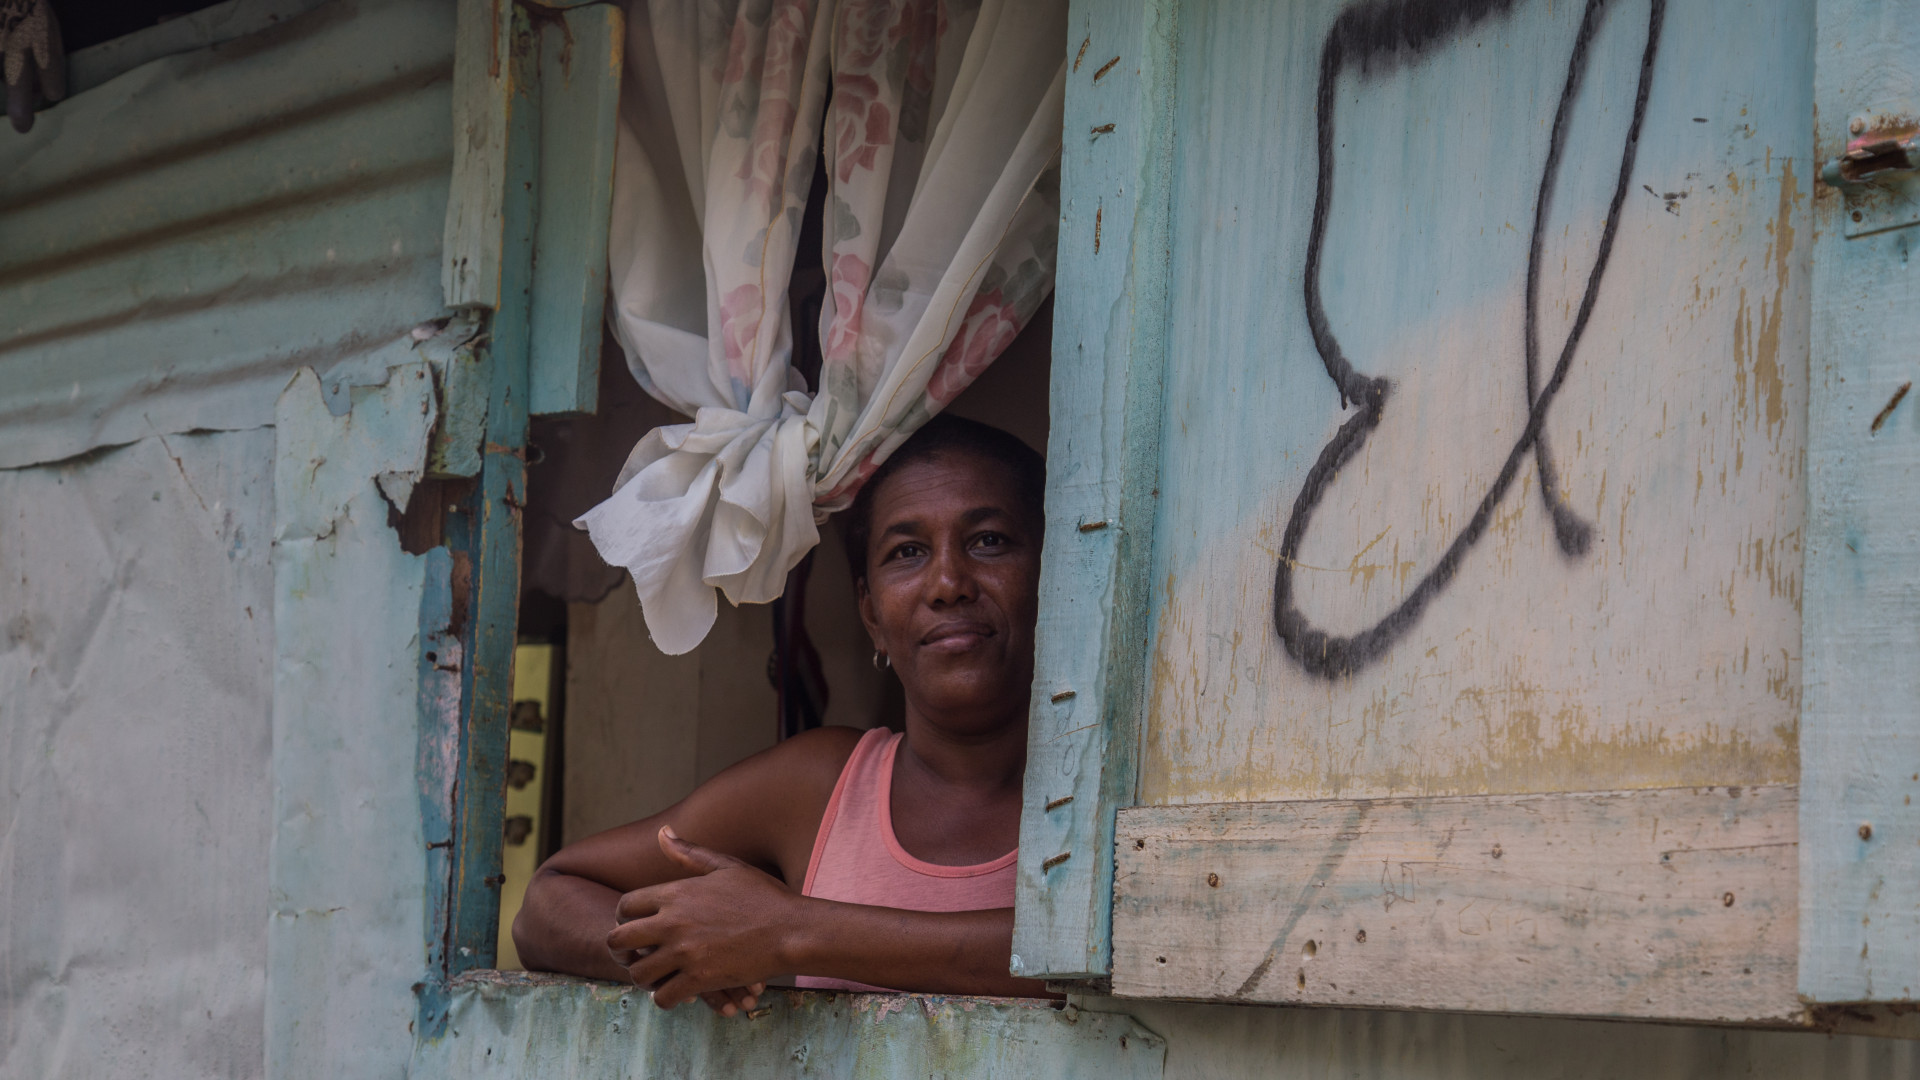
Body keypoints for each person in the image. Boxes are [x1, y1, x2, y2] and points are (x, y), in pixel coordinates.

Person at [513, 415, 1053, 1014]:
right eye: (907, 552)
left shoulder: (1113, 790)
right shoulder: (818, 788)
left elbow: (1101, 950)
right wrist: (678, 949)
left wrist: (791, 931)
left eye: (988, 541)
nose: (948, 582)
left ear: (1059, 573)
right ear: (871, 614)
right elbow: (547, 902)